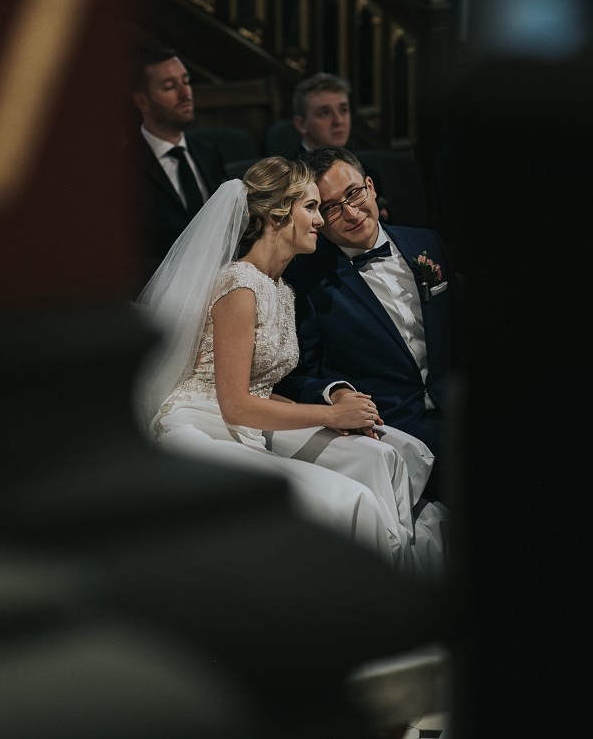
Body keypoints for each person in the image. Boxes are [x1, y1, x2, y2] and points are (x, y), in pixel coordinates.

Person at [135, 156, 447, 576]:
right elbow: (235, 403)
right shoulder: (239, 286)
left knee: (382, 455)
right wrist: (329, 415)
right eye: (313, 207)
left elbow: (260, 390)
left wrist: (337, 416)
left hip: (244, 420)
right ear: (278, 214)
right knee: (349, 499)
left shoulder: (281, 289)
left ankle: (392, 578)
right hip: (201, 427)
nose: (322, 220)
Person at [274, 146, 465, 504]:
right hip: (392, 428)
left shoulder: (426, 242)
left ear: (371, 187)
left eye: (354, 193)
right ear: (317, 217)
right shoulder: (306, 283)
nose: (351, 212)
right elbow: (293, 376)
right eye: (331, 207)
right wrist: (336, 393)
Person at [126, 47, 235, 277]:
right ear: (142, 102)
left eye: (186, 82)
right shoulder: (122, 167)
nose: (185, 93)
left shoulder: (208, 154)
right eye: (169, 86)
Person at [291, 72, 391, 221]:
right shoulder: (290, 180)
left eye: (343, 110)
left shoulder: (367, 172)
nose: (338, 121)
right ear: (301, 124)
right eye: (325, 113)